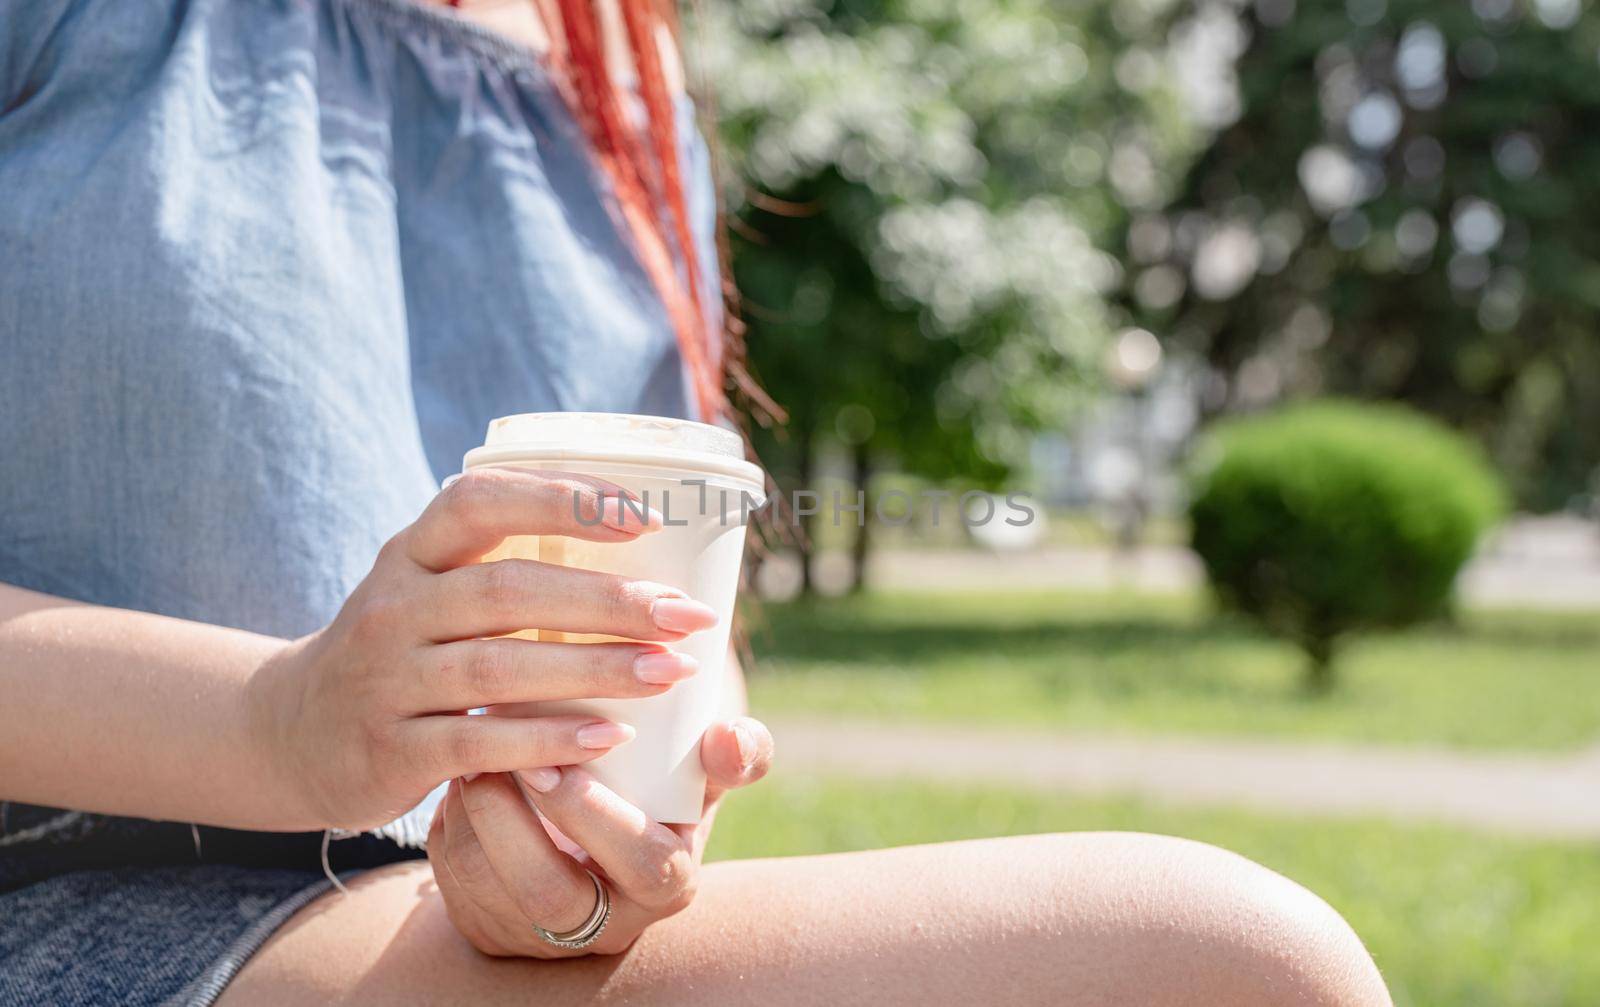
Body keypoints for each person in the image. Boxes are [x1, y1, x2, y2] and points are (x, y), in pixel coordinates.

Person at [0, 0, 1393, 1003]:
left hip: (420, 921)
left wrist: (616, 834)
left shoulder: (622, 72)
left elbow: (682, 568)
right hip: (71, 906)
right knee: (1225, 965)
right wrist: (277, 723)